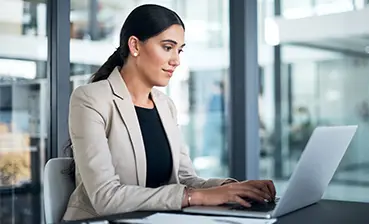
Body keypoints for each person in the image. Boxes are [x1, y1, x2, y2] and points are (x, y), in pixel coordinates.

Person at [63, 4, 276, 221]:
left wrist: (232, 188)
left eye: (179, 50)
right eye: (167, 47)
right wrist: (194, 197)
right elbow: (105, 197)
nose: (176, 60)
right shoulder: (90, 99)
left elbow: (185, 179)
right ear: (135, 45)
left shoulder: (165, 105)